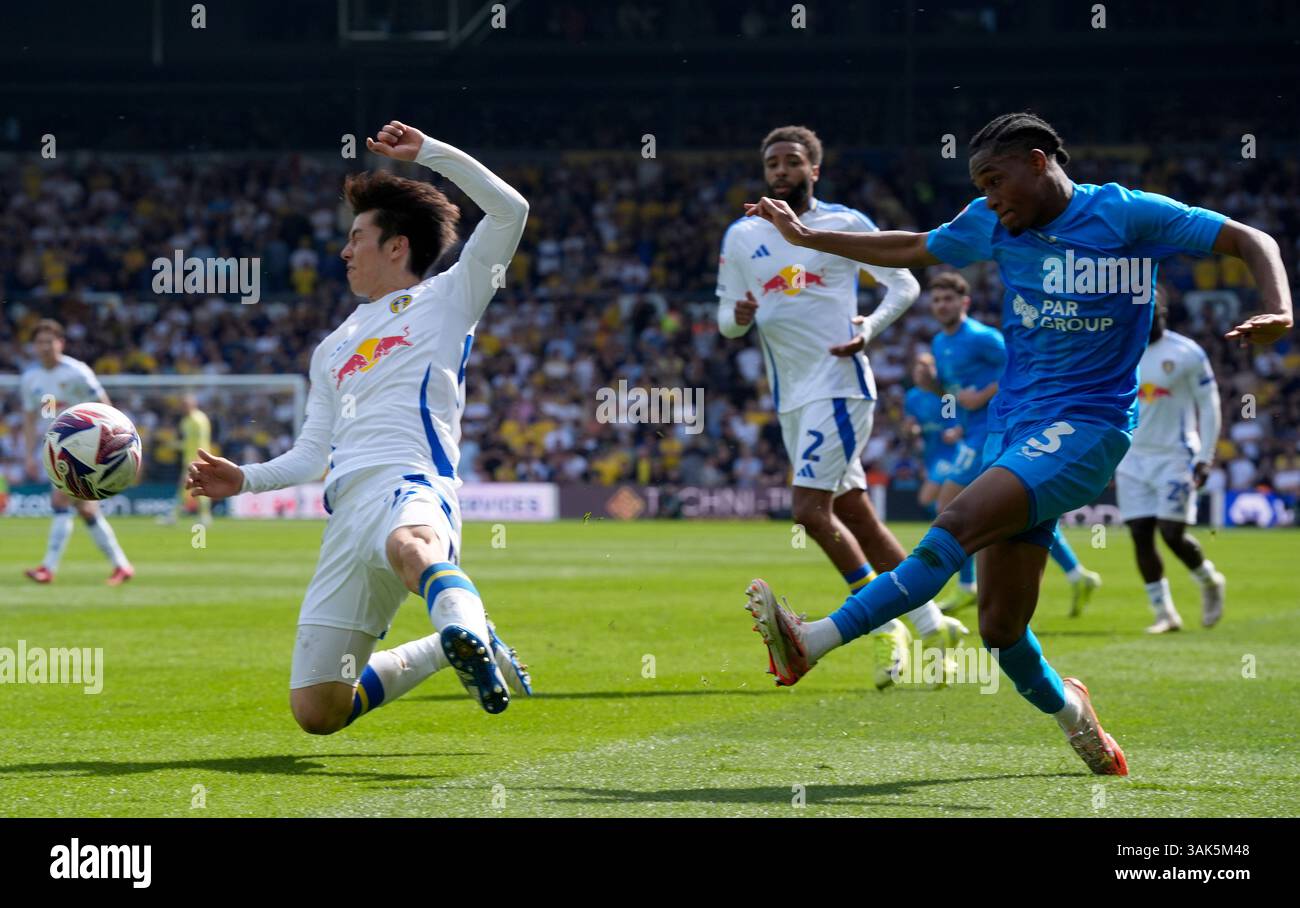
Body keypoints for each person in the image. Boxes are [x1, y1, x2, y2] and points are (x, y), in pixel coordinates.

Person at [742, 112, 1292, 775]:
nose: (989, 199)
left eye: (996, 181)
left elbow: (1250, 238)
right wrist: (807, 235)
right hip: (1015, 429)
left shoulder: (1128, 215)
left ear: (1038, 162)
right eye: (980, 186)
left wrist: (1281, 307)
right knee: (1001, 629)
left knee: (955, 521)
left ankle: (813, 640)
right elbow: (912, 246)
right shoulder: (992, 223)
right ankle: (1075, 717)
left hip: (1089, 428)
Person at [187, 121, 532, 734]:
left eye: (356, 237)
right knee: (318, 711)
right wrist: (241, 480)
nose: (344, 251)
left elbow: (511, 211)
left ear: (396, 247)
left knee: (411, 549)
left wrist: (429, 154)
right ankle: (459, 639)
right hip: (345, 514)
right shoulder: (332, 347)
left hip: (410, 481)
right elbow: (309, 453)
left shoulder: (451, 296)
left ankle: (460, 622)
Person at [717, 125, 967, 690]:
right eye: (772, 162)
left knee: (808, 510)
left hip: (840, 384)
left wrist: (869, 327)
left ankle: (878, 626)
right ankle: (931, 624)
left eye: (791, 161)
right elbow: (725, 325)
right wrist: (738, 313)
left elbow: (902, 285)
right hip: (790, 397)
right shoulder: (741, 237)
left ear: (814, 170)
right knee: (856, 513)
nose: (780, 170)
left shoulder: (844, 224)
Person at [924, 271, 1103, 618]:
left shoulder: (981, 337)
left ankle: (967, 586)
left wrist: (981, 396)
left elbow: (1019, 364)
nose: (941, 305)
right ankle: (1076, 573)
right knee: (1009, 512)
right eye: (936, 300)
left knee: (949, 504)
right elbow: (954, 392)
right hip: (972, 430)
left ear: (965, 303)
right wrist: (942, 400)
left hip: (996, 427)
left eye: (948, 299)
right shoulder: (938, 343)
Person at [1116, 292, 1225, 632]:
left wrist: (1205, 456)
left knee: (1172, 532)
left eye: (1149, 309)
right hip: (1131, 457)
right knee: (1140, 534)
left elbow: (1209, 405)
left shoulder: (1186, 352)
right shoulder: (1120, 351)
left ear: (1161, 310)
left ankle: (1208, 580)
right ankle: (1165, 613)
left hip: (1176, 455)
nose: (1144, 316)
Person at [21, 319, 135, 586]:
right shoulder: (30, 378)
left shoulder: (77, 372)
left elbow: (105, 406)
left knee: (61, 501)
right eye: (40, 342)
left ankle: (48, 568)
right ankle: (122, 565)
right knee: (87, 510)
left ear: (61, 343)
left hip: (83, 449)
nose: (45, 347)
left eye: (50, 341)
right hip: (54, 448)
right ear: (34, 346)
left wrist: (112, 443)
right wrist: (28, 454)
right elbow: (29, 418)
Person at [901, 352, 958, 514]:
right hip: (930, 452)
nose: (920, 372)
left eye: (925, 368)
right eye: (917, 368)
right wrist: (911, 430)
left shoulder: (945, 394)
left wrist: (953, 432)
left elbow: (952, 423)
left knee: (926, 498)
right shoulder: (912, 397)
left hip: (949, 453)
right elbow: (913, 427)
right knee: (940, 501)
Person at [158, 394, 212, 527]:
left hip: (198, 459)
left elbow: (199, 442)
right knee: (196, 488)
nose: (183, 407)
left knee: (185, 488)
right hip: (189, 459)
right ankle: (204, 516)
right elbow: (188, 442)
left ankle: (174, 517)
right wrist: (174, 444)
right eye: (182, 405)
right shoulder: (186, 421)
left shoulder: (198, 420)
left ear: (193, 404)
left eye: (185, 404)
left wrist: (198, 458)